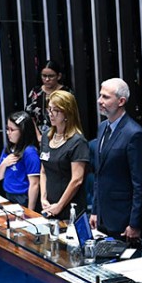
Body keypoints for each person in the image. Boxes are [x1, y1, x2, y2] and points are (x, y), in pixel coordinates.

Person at [89, 78, 142, 245]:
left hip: (123, 219)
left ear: (121, 101)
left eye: (106, 97)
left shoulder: (134, 134)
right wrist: (95, 211)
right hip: (103, 216)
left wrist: (135, 223)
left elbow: (140, 184)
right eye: (100, 95)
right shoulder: (102, 127)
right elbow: (99, 174)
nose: (99, 101)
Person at [38, 90, 88, 221]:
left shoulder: (78, 142)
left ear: (67, 112)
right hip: (48, 206)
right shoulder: (46, 136)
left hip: (69, 209)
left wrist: (59, 206)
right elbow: (43, 171)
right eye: (49, 109)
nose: (51, 114)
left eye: (56, 110)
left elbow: (77, 180)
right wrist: (43, 198)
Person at [0, 111, 40, 210]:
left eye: (12, 130)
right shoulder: (8, 149)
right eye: (7, 129)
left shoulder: (30, 152)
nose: (8, 133)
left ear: (22, 131)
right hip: (8, 195)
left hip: (23, 197)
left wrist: (30, 211)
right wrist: (4, 164)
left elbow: (34, 184)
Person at [25, 60, 72, 132]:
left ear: (58, 76)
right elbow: (29, 115)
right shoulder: (35, 92)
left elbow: (71, 116)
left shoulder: (66, 93)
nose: (47, 79)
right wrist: (38, 135)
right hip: (38, 136)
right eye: (44, 76)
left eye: (51, 76)